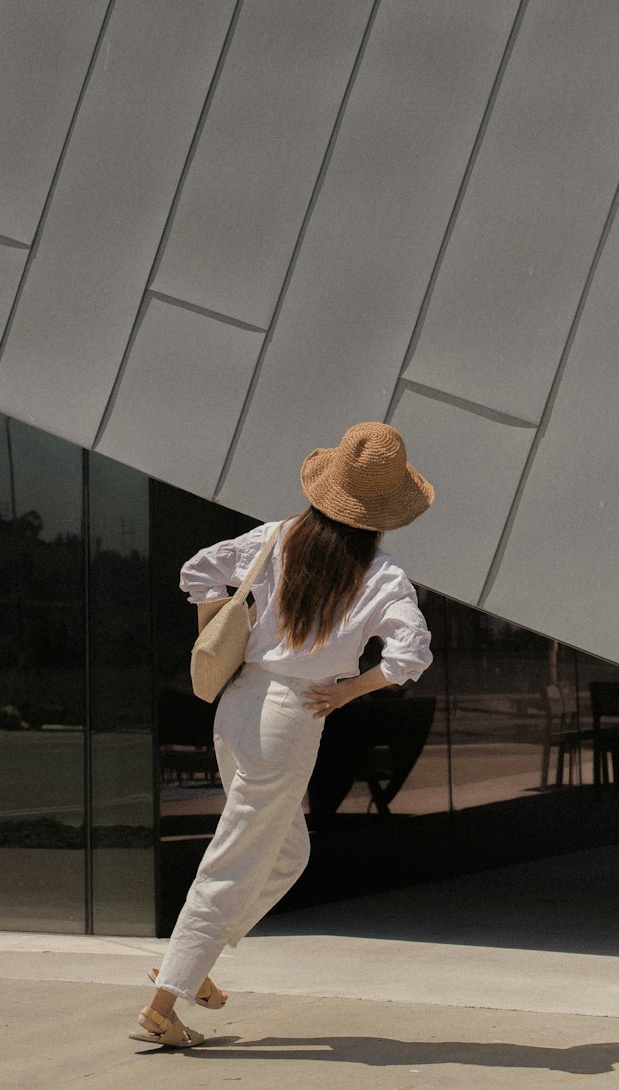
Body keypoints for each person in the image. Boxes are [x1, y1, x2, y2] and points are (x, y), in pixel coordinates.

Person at [131, 421, 434, 1048]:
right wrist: (349, 689)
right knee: (236, 859)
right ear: (383, 511)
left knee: (285, 854)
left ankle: (194, 964)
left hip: (238, 702)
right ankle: (164, 1002)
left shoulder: (277, 538)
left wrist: (223, 628)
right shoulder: (380, 574)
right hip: (291, 716)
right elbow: (411, 654)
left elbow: (196, 571)